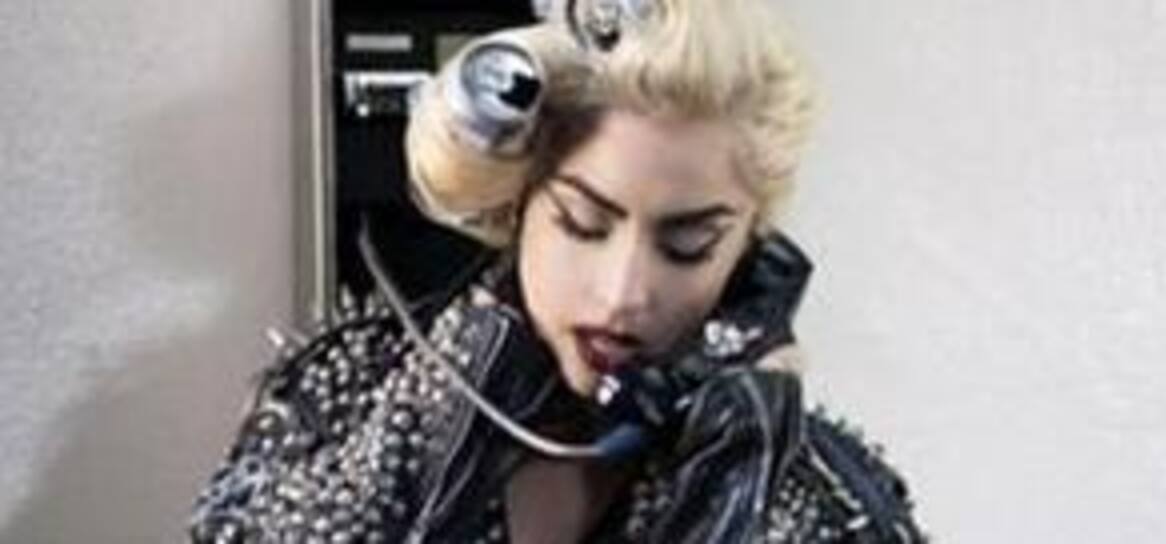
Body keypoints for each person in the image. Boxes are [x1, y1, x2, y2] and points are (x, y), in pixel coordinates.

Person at [188, 0, 925, 542]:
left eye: (688, 246)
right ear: (519, 201)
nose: (623, 295)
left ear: (752, 255)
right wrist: (439, 427)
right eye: (582, 224)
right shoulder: (342, 401)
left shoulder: (828, 502)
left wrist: (728, 486)